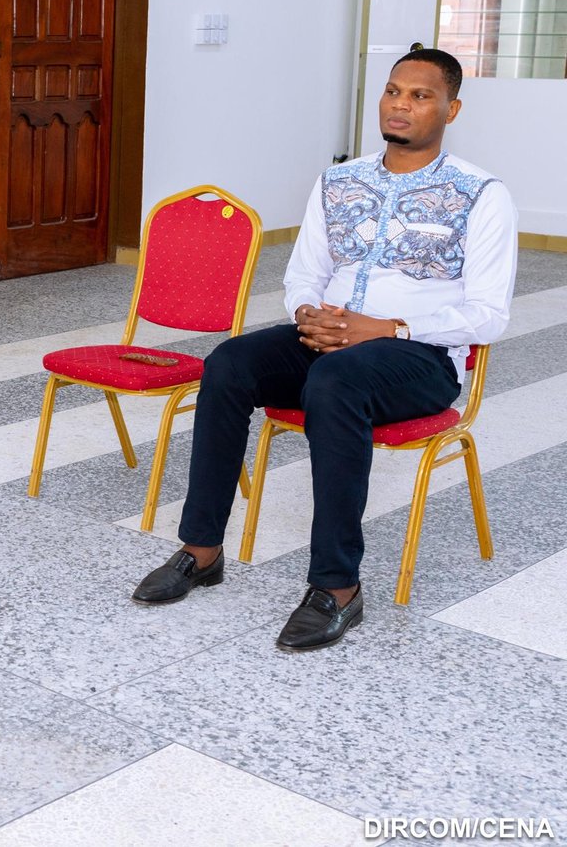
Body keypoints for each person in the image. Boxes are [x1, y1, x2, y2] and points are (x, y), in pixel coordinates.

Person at [130, 47, 518, 650]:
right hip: (329, 337)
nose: (401, 104)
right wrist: (308, 315)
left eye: (420, 96)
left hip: (419, 356)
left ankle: (337, 587)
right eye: (393, 91)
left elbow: (488, 314)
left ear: (452, 109)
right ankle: (201, 550)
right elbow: (304, 275)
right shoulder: (339, 181)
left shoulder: (482, 194)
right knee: (229, 364)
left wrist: (386, 327)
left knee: (336, 384)